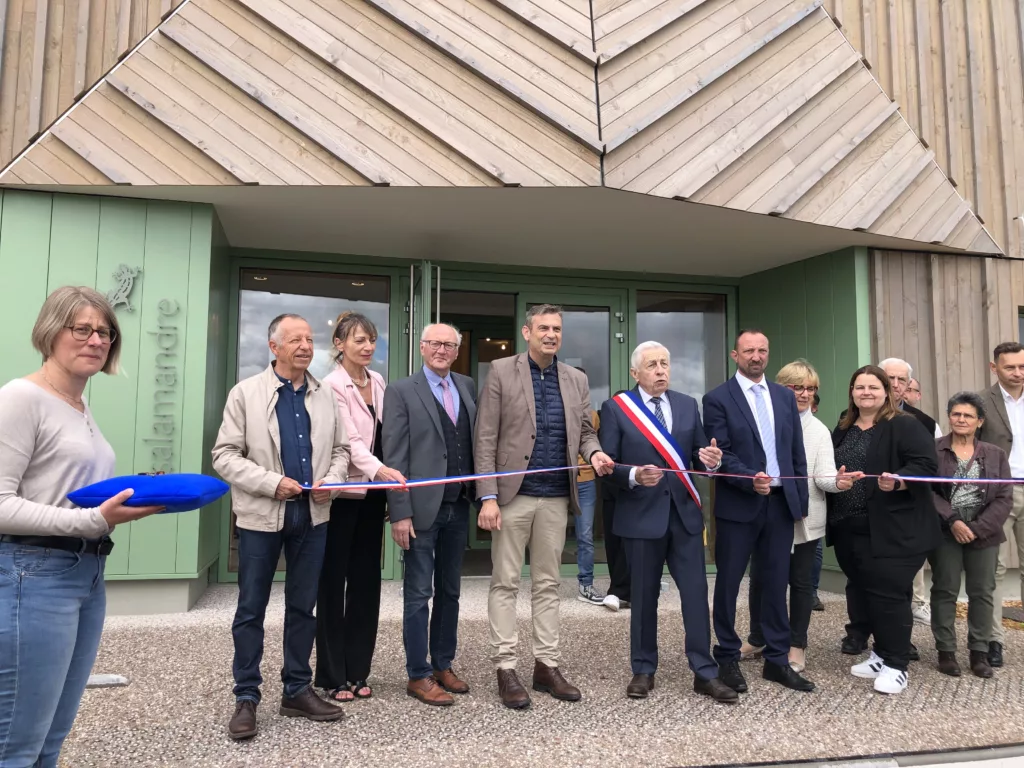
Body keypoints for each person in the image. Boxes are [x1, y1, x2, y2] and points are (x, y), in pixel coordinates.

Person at [0, 286, 163, 766]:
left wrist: (132, 495)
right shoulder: (21, 397)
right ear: (51, 331)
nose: (96, 340)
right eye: (83, 329)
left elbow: (67, 492)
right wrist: (93, 519)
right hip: (33, 573)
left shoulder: (79, 405)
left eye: (105, 332)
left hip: (85, 574)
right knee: (17, 745)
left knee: (50, 739)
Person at [213, 313, 351, 740]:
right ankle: (246, 697)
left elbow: (342, 450)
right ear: (274, 347)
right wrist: (271, 483)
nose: (306, 346)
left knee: (303, 608)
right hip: (261, 518)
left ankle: (296, 690)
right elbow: (224, 456)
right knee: (251, 609)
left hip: (313, 517)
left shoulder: (325, 394)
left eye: (309, 339)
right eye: (295, 340)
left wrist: (335, 480)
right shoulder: (245, 393)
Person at [474, 303, 614, 708]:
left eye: (557, 329)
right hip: (511, 496)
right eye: (543, 328)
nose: (551, 335)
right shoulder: (501, 371)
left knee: (548, 584)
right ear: (527, 332)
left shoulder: (575, 379)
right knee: (505, 583)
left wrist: (595, 453)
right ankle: (505, 667)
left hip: (556, 497)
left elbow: (585, 431)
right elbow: (485, 436)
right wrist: (487, 496)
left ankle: (546, 666)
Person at [599, 342, 737, 703]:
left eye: (664, 364)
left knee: (695, 596)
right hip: (641, 517)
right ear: (635, 373)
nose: (661, 370)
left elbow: (697, 457)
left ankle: (705, 672)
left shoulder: (687, 405)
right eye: (652, 365)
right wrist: (633, 476)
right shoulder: (616, 408)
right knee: (643, 598)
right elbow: (607, 464)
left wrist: (710, 460)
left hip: (684, 517)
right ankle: (643, 669)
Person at [702, 330, 812, 694]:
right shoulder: (717, 399)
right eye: (749, 350)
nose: (756, 356)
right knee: (729, 583)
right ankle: (727, 656)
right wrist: (750, 479)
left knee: (775, 583)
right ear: (735, 355)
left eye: (762, 350)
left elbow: (795, 452)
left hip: (779, 505)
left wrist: (799, 502)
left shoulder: (784, 396)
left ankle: (777, 661)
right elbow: (722, 453)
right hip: (739, 505)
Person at [828, 365, 939, 695]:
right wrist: (837, 479)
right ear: (851, 393)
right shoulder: (844, 427)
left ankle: (896, 664)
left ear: (887, 392)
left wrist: (899, 480)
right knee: (867, 593)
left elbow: (926, 465)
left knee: (889, 596)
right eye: (859, 387)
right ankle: (880, 654)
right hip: (850, 527)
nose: (866, 392)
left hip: (895, 529)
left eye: (873, 387)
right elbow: (831, 467)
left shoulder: (905, 424)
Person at [382, 323, 476, 707]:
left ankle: (442, 664)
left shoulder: (467, 386)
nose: (442, 350)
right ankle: (417, 674)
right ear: (422, 347)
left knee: (450, 591)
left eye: (449, 345)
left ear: (457, 351)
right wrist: (399, 512)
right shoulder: (401, 390)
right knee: (419, 594)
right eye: (435, 343)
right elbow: (394, 456)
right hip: (420, 510)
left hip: (458, 505)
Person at [741, 361, 855, 674]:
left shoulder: (818, 431)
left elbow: (824, 475)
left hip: (804, 519)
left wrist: (838, 482)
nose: (804, 394)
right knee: (760, 579)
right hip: (766, 514)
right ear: (781, 388)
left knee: (801, 583)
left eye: (810, 389)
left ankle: (796, 644)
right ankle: (758, 638)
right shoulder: (763, 421)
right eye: (797, 387)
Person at [316, 312, 406, 703]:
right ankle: (331, 674)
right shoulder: (331, 385)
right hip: (343, 498)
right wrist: (381, 470)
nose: (368, 347)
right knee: (332, 584)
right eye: (359, 340)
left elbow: (388, 434)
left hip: (373, 497)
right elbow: (349, 441)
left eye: (371, 340)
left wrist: (386, 483)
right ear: (339, 344)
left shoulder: (379, 381)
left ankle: (358, 670)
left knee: (367, 584)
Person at [930, 392, 1012, 678]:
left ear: (980, 421)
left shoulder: (996, 454)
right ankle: (946, 652)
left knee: (982, 593)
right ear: (949, 417)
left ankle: (979, 652)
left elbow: (1004, 497)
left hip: (984, 534)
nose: (961, 419)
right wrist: (952, 520)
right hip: (945, 532)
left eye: (968, 415)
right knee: (945, 589)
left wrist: (977, 528)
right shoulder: (934, 450)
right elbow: (927, 491)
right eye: (956, 414)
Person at [879, 357, 940, 627]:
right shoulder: (855, 416)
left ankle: (901, 635)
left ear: (908, 384)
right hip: (867, 510)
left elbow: (931, 468)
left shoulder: (925, 423)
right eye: (889, 378)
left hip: (907, 510)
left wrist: (902, 481)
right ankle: (860, 632)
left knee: (901, 580)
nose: (895, 384)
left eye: (901, 379)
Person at [976, 341, 1024, 668]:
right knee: (993, 569)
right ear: (994, 368)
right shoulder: (980, 401)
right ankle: (993, 640)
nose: (1018, 373)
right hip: (997, 493)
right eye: (1010, 367)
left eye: (1022, 367)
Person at [572, 367, 605, 606]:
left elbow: (594, 444)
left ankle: (586, 584)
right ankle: (545, 586)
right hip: (559, 481)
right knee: (549, 536)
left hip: (585, 481)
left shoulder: (593, 415)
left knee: (585, 535)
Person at [601, 390, 632, 612]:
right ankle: (618, 590)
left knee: (629, 545)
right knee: (614, 544)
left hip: (635, 491)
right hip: (612, 492)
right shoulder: (607, 422)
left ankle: (623, 591)